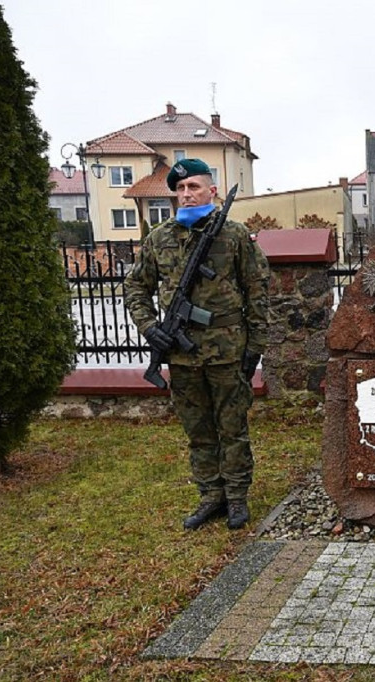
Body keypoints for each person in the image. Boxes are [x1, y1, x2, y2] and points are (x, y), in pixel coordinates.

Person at [124, 159, 270, 531]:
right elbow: (136, 286)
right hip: (181, 353)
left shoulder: (234, 235)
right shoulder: (160, 237)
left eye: (194, 187)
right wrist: (149, 326)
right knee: (198, 430)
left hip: (227, 349)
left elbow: (257, 290)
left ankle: (237, 497)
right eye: (180, 188)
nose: (186, 194)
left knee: (232, 427)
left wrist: (256, 344)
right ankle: (211, 496)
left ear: (212, 191)